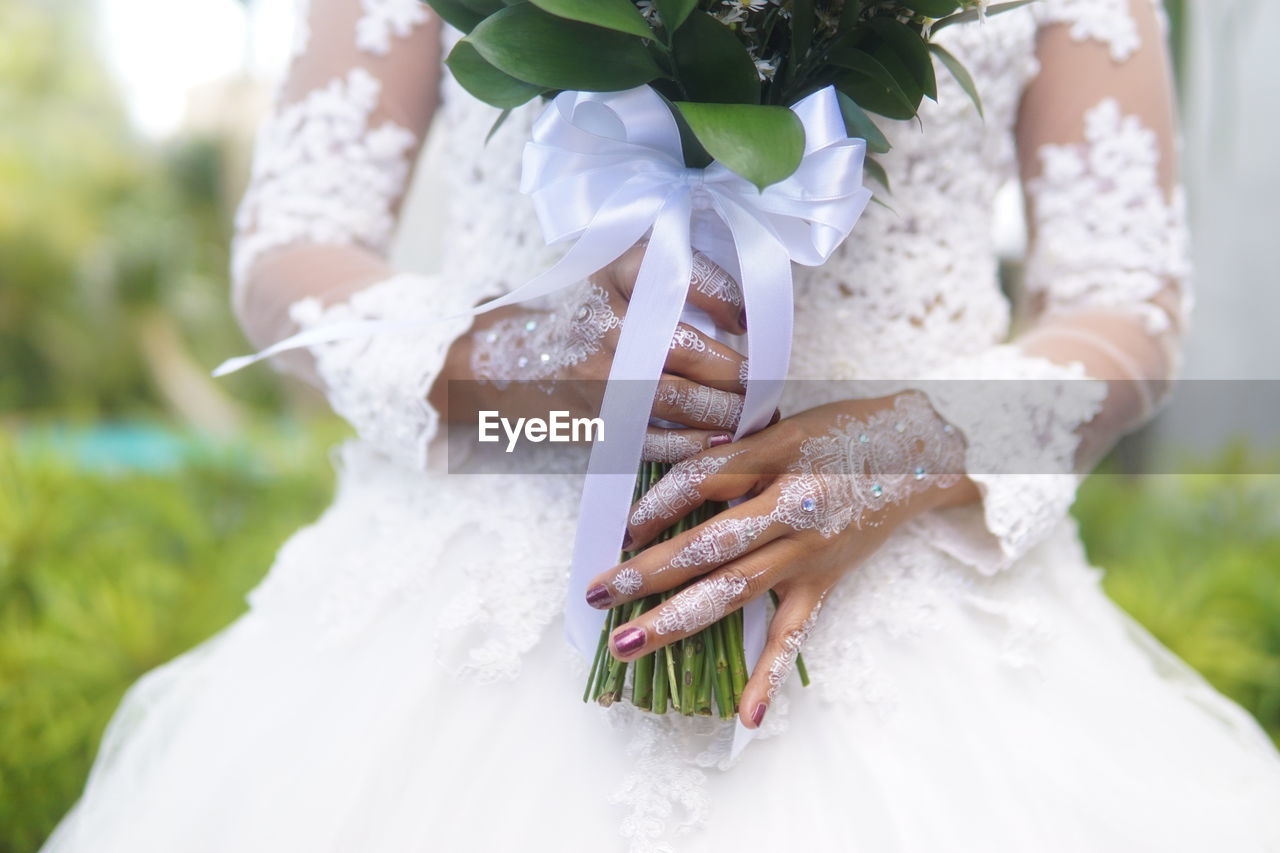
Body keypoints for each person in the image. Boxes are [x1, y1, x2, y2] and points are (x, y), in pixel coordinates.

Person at [45, 1, 1280, 850]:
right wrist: (508, 359)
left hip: (908, 592)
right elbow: (291, 241)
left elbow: (1124, 296)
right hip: (490, 572)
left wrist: (908, 448)